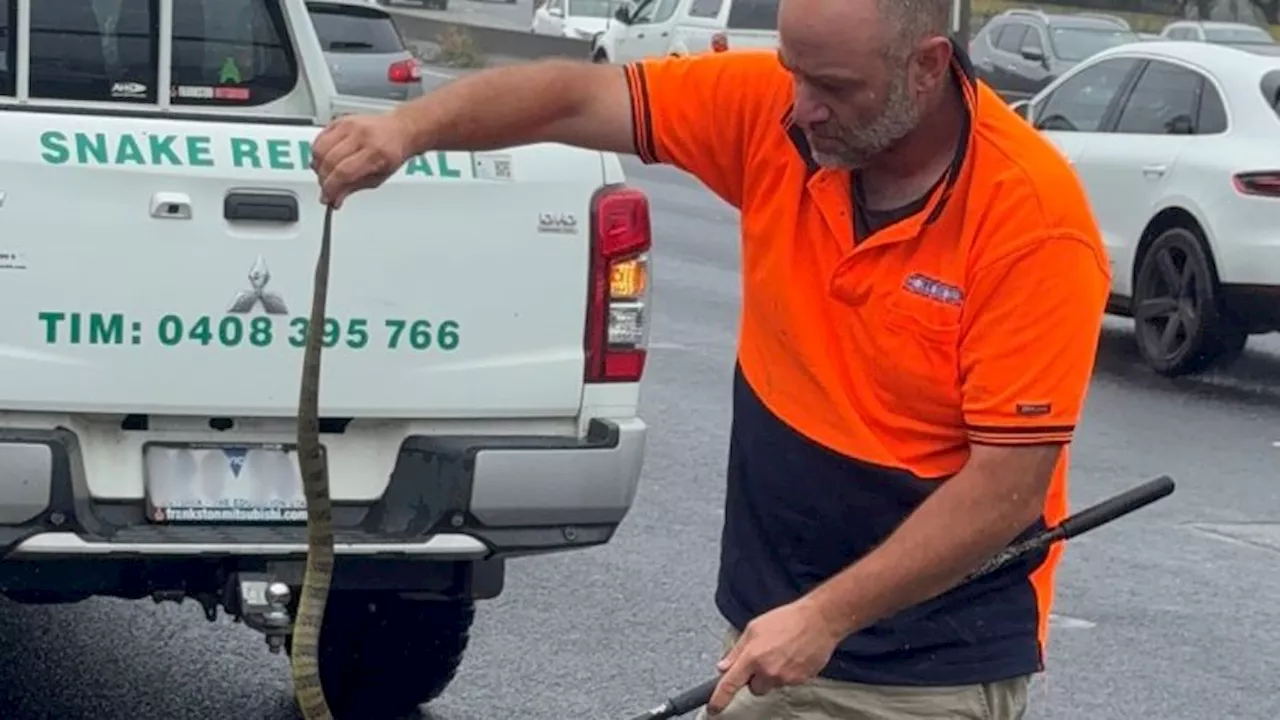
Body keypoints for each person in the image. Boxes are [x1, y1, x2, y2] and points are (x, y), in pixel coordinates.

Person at [309, 0, 1111, 717]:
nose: (802, 107)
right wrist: (407, 131)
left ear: (928, 65)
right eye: (793, 71)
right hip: (776, 635)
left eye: (832, 85)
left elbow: (1006, 488)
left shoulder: (1030, 222)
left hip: (922, 675)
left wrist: (825, 616)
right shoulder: (778, 113)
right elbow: (579, 95)